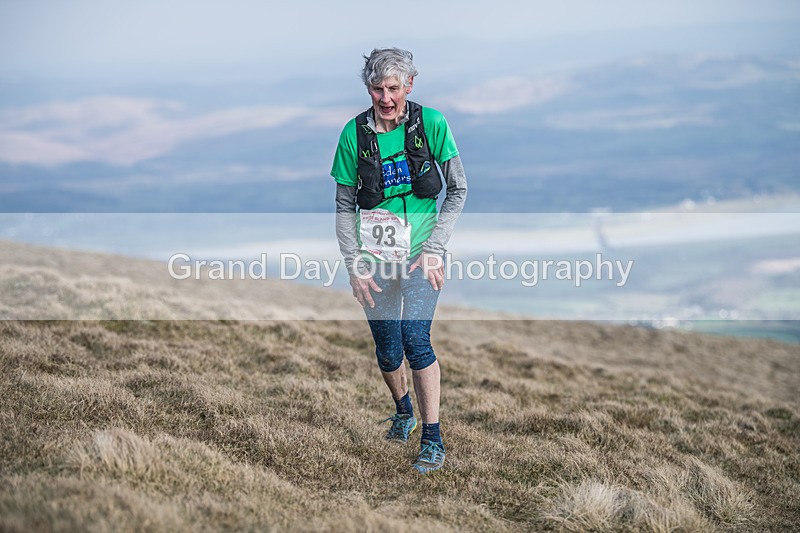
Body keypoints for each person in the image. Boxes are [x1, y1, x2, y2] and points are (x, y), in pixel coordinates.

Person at [330, 48, 467, 474]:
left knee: (415, 341)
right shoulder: (354, 135)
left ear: (410, 84)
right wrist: (354, 267)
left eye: (393, 87)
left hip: (421, 259)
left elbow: (458, 190)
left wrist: (434, 249)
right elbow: (343, 207)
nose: (385, 97)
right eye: (377, 88)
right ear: (368, 88)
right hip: (374, 263)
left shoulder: (433, 124)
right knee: (388, 351)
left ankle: (432, 437)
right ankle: (403, 410)